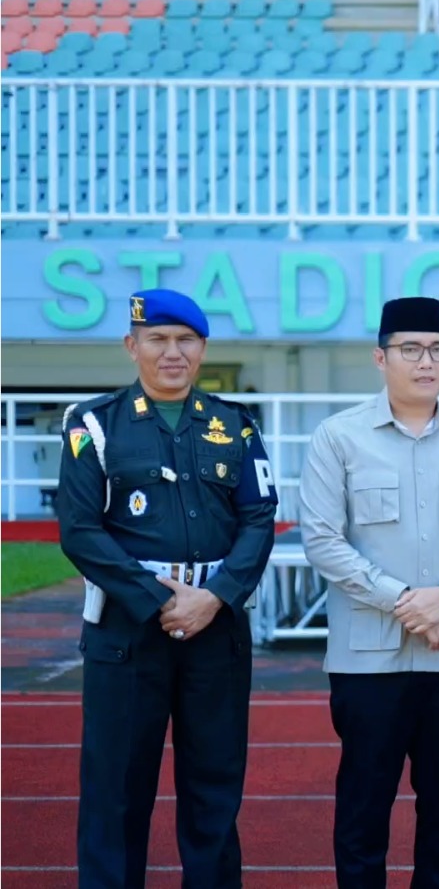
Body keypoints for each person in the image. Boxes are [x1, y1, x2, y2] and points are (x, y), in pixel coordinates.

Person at [57, 289, 279, 888]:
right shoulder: (93, 426)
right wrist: (160, 600)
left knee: (213, 790)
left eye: (185, 340)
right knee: (115, 794)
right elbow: (79, 531)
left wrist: (214, 597)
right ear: (133, 347)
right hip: (127, 635)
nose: (172, 352)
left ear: (202, 349)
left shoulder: (236, 426)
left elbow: (260, 520)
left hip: (217, 630)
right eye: (157, 339)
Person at [300, 296, 439, 889]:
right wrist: (410, 601)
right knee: (363, 808)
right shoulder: (338, 438)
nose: (427, 362)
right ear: (381, 357)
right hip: (368, 659)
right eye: (411, 350)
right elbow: (322, 539)